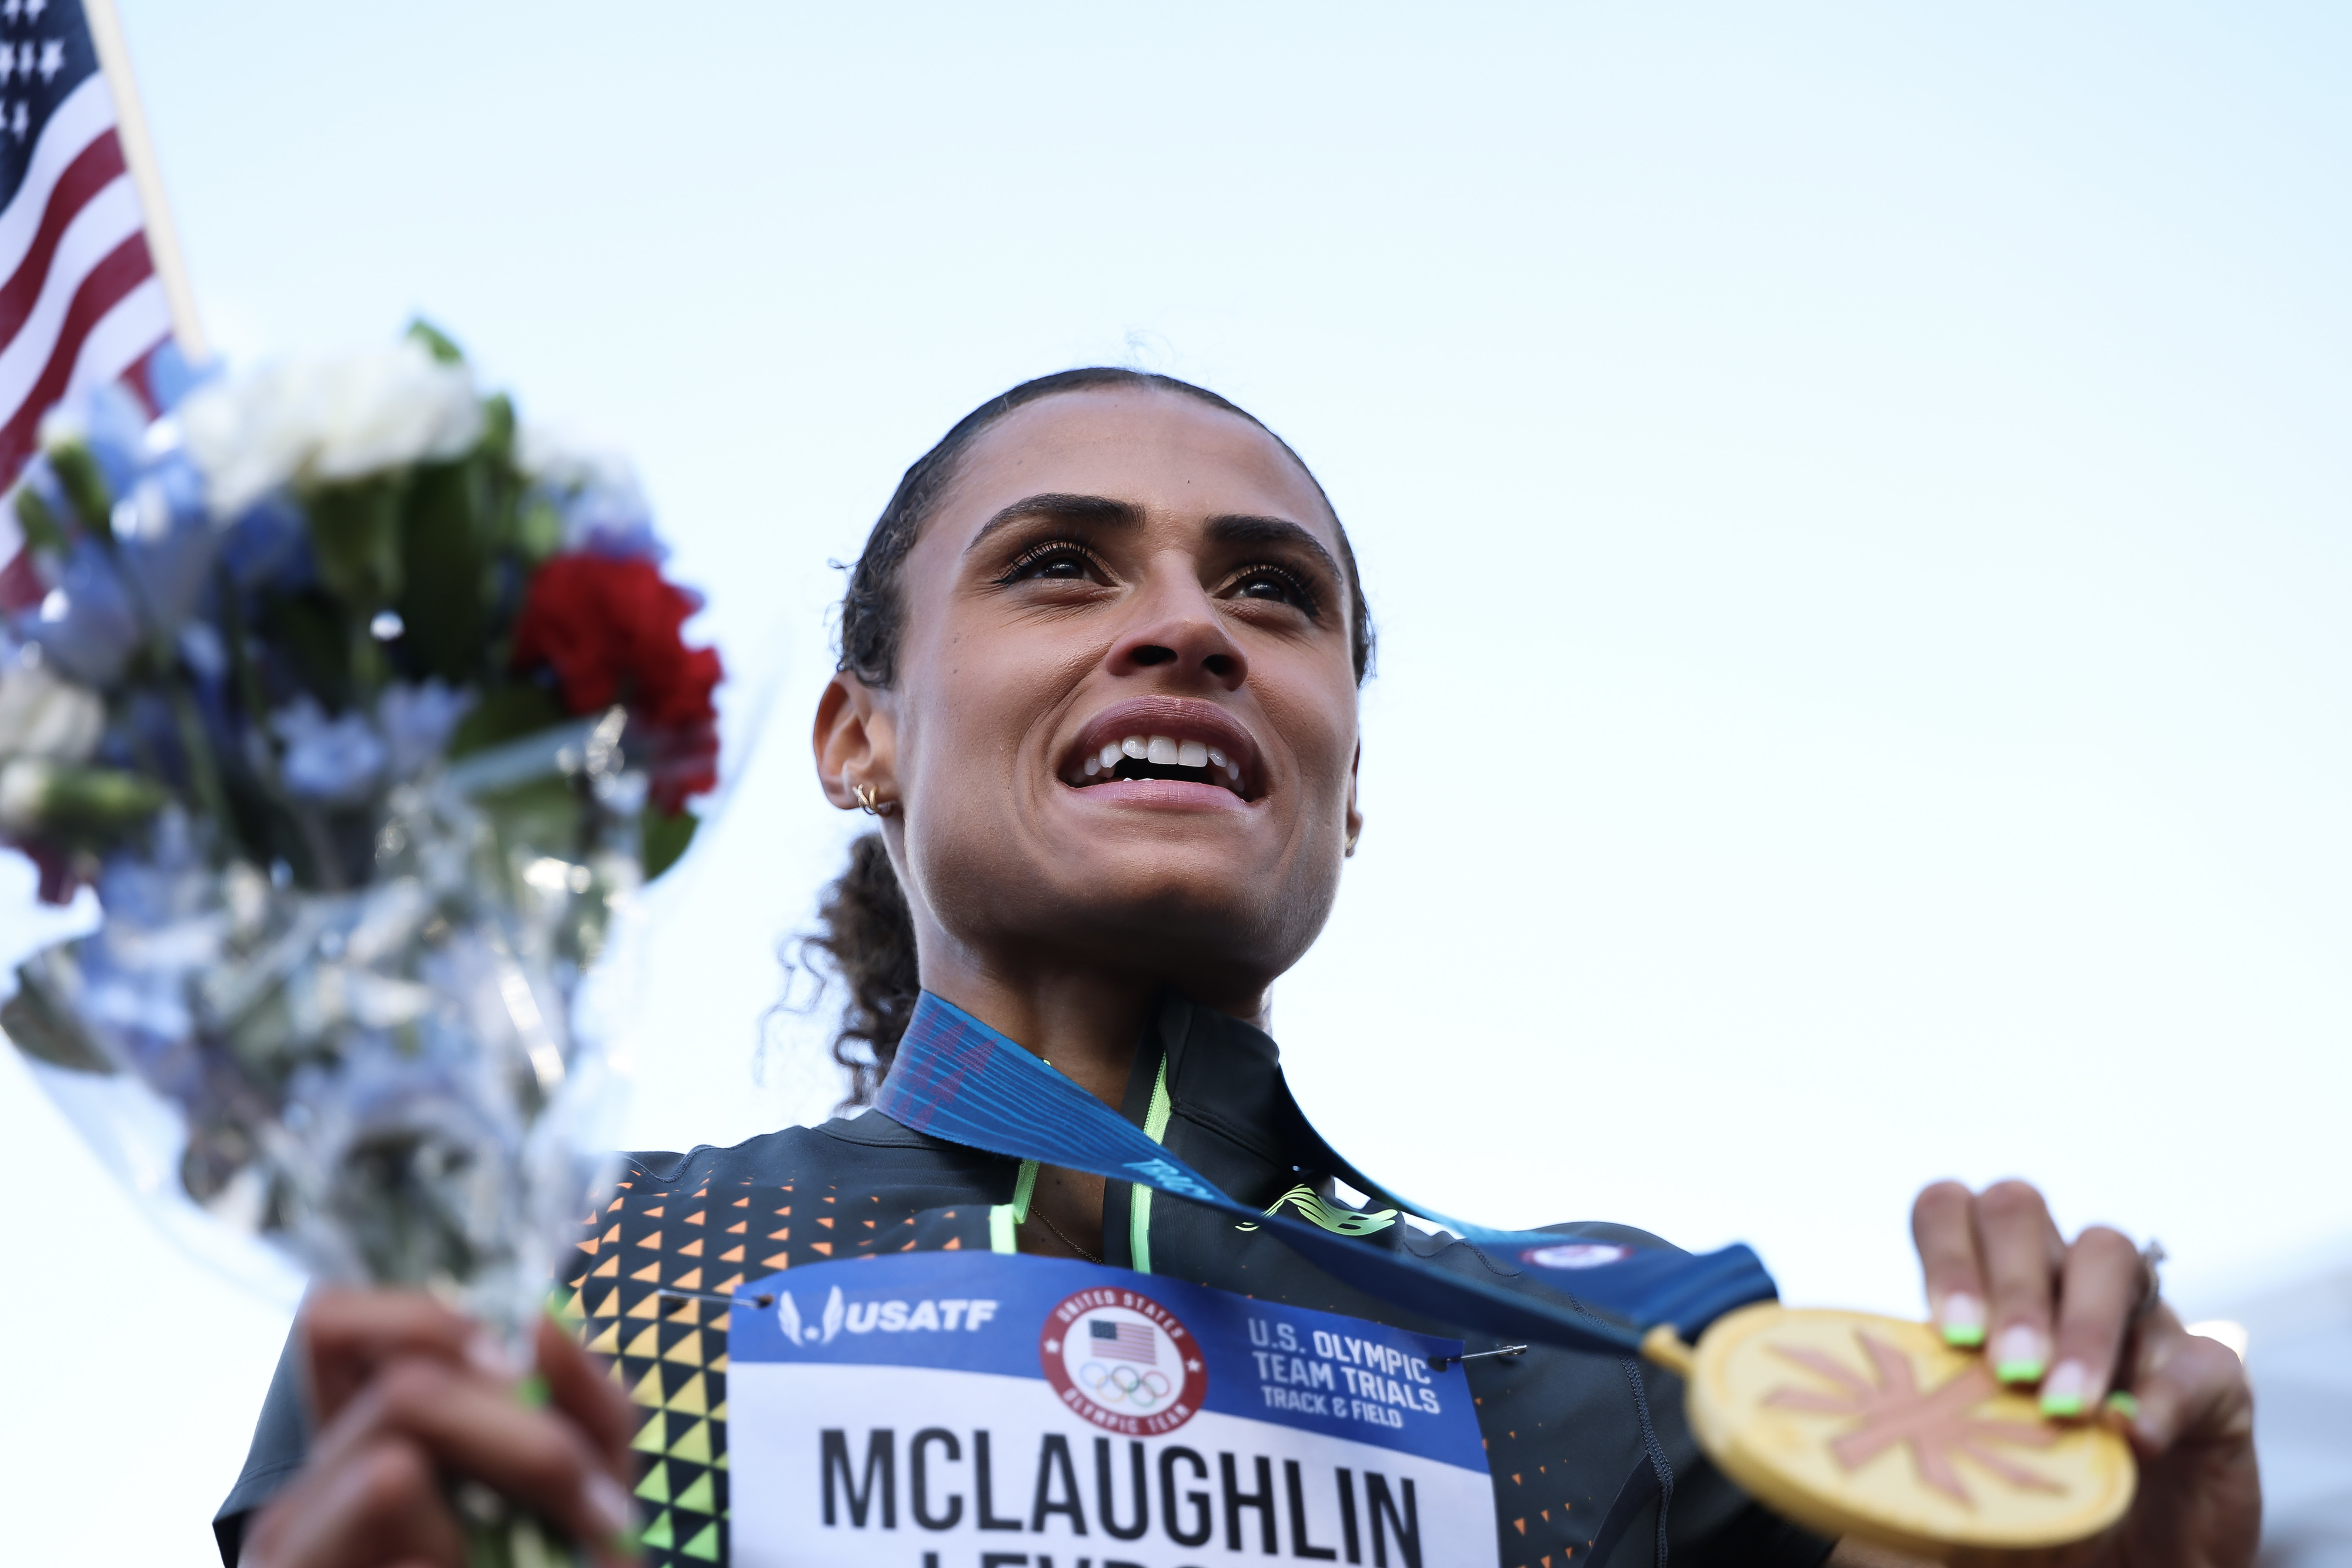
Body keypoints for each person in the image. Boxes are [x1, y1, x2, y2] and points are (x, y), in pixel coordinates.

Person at [216, 369, 2261, 1567]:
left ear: (1343, 781)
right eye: (1060, 565)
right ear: (858, 737)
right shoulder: (546, 1286)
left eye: (1274, 596)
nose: (1190, 628)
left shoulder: (1650, 1362)